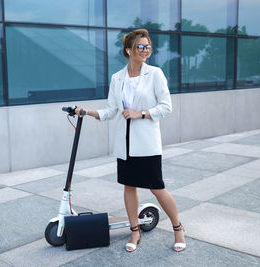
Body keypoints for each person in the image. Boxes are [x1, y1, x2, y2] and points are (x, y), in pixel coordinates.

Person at [75, 29, 186, 252]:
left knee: (157, 188)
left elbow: (166, 107)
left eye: (148, 47)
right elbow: (111, 110)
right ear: (129, 50)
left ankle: (178, 229)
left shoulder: (155, 74)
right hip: (125, 144)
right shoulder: (118, 78)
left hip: (147, 143)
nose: (145, 51)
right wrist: (87, 112)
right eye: (140, 47)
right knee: (129, 186)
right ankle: (135, 232)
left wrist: (140, 113)